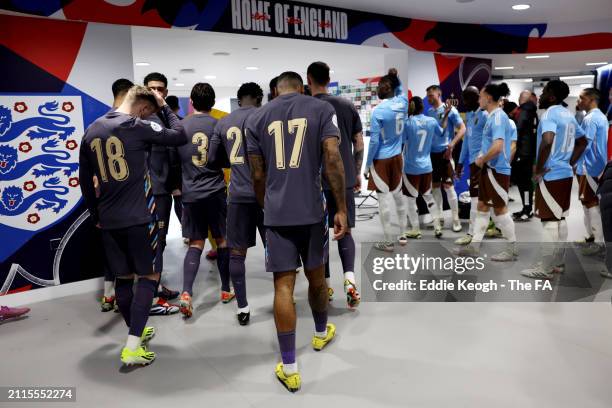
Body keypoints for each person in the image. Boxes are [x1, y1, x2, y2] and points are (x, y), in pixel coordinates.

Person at [245, 71, 347, 393]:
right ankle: (319, 334)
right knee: (317, 278)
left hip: (277, 215)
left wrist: (267, 206)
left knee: (283, 287)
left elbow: (257, 174)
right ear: (301, 87)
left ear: (274, 90)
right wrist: (341, 207)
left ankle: (289, 367)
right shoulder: (321, 109)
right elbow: (332, 158)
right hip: (313, 212)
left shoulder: (256, 118)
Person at [79, 85, 187, 365]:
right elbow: (180, 135)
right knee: (150, 278)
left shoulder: (91, 130)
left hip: (109, 220)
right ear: (142, 107)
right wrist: (163, 107)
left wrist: (96, 215)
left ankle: (134, 332)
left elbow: (84, 181)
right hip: (140, 217)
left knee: (124, 279)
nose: (149, 116)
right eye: (148, 111)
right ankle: (132, 347)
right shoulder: (136, 125)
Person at [208, 82, 265, 325]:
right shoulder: (265, 117)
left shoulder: (223, 122)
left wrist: (233, 162)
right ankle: (285, 297)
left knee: (237, 253)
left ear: (239, 99)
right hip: (266, 196)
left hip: (238, 196)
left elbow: (212, 159)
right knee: (275, 250)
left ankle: (242, 307)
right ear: (259, 99)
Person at [307, 61, 363, 308]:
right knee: (345, 229)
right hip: (345, 178)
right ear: (329, 79)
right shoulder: (347, 105)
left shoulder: (307, 108)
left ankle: (326, 286)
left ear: (309, 79)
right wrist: (357, 172)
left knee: (320, 234)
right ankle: (349, 279)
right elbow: (358, 143)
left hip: (315, 181)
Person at [177, 83, 234, 319]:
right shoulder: (219, 125)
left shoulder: (180, 127)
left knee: (196, 242)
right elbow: (228, 161)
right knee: (221, 240)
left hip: (190, 193)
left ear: (191, 100)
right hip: (215, 192)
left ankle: (187, 293)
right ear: (213, 103)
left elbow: (173, 160)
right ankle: (224, 290)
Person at [521, 80, 587, 279]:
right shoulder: (568, 115)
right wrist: (569, 161)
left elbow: (547, 141)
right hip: (565, 173)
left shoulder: (549, 114)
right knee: (560, 217)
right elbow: (582, 141)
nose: (539, 97)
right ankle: (557, 262)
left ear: (551, 97)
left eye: (543, 93)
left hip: (551, 175)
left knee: (549, 220)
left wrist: (539, 169)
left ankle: (545, 267)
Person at [454, 83, 517, 261]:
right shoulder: (492, 116)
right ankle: (474, 246)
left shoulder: (497, 117)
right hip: (489, 169)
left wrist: (481, 159)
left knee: (500, 211)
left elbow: (497, 147)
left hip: (496, 170)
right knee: (481, 207)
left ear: (488, 98)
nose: (479, 99)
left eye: (481, 96)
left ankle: (511, 249)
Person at [143, 72, 181, 314]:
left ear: (166, 92)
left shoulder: (165, 117)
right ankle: (152, 296)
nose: (157, 92)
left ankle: (155, 287)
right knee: (153, 243)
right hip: (149, 192)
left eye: (161, 88)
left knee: (161, 241)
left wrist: (176, 185)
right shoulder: (143, 119)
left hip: (163, 189)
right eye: (152, 88)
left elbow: (174, 152)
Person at [101, 78, 135, 312]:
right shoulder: (131, 124)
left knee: (114, 256)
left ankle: (107, 295)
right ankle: (136, 317)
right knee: (133, 266)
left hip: (106, 203)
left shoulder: (97, 125)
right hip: (131, 205)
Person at [366, 68, 409, 251]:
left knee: (383, 200)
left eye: (381, 86)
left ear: (388, 87)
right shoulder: (404, 102)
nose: (378, 88)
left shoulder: (378, 111)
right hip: (398, 157)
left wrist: (368, 164)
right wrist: (396, 78)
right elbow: (400, 91)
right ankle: (403, 235)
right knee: (399, 197)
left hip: (381, 159)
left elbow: (374, 141)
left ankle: (388, 242)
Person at [402, 96, 446, 239]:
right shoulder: (432, 121)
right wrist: (445, 116)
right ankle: (437, 227)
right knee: (429, 196)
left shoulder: (407, 123)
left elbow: (401, 142)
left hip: (411, 167)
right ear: (423, 107)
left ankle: (415, 229)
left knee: (410, 199)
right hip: (427, 166)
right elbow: (442, 132)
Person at [426, 84, 466, 234]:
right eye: (428, 96)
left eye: (431, 95)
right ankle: (440, 218)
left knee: (449, 187)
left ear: (439, 94)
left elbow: (462, 129)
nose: (429, 98)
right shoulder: (429, 112)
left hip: (445, 154)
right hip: (432, 154)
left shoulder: (451, 110)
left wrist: (452, 144)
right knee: (435, 187)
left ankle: (456, 220)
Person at [575, 88, 608, 256]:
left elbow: (584, 144)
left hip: (589, 166)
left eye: (581, 98)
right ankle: (590, 237)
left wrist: (571, 161)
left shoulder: (591, 118)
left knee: (591, 203)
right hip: (591, 165)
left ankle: (598, 242)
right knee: (587, 202)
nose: (578, 101)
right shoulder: (599, 116)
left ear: (590, 99)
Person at [455, 86, 488, 245]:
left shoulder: (485, 115)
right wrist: (460, 163)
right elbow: (466, 142)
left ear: (476, 98)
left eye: (466, 98)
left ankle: (473, 234)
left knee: (478, 200)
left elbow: (490, 141)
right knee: (477, 198)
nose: (464, 102)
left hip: (482, 164)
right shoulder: (469, 115)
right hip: (472, 164)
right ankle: (475, 233)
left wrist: (481, 160)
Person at [512, 90, 539, 221]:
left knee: (525, 184)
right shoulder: (532, 112)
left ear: (522, 98)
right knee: (524, 183)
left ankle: (527, 210)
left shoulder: (524, 111)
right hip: (527, 153)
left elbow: (518, 130)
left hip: (522, 153)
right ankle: (526, 208)